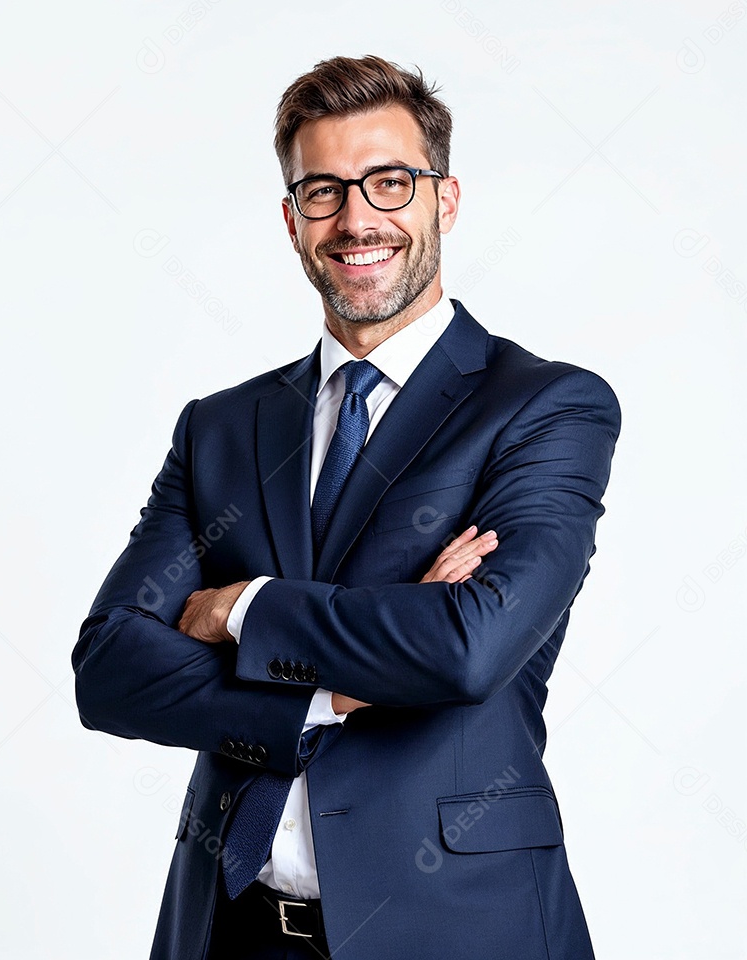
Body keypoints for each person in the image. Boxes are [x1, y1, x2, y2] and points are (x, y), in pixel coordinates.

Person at [72, 55, 621, 960]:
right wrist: (330, 692)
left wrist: (242, 608)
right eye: (323, 191)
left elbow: (466, 646)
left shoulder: (544, 407)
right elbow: (111, 668)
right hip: (232, 929)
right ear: (292, 222)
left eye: (389, 182)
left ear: (444, 200)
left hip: (457, 927)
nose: (357, 217)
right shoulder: (220, 427)